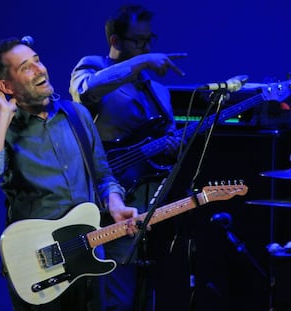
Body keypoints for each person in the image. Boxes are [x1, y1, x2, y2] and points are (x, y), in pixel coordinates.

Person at [0, 36, 140, 311]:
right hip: (39, 263)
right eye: (26, 67)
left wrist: (116, 204)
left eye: (37, 61)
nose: (40, 70)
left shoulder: (78, 115)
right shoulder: (3, 132)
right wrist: (3, 114)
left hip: (88, 252)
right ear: (5, 85)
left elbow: (103, 175)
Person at [69, 4, 187, 311]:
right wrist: (142, 62)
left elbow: (168, 138)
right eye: (138, 42)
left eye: (150, 41)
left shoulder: (158, 91)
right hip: (105, 200)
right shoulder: (92, 67)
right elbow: (86, 92)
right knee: (113, 294)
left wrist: (173, 147)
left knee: (146, 294)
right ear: (115, 41)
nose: (147, 48)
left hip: (148, 204)